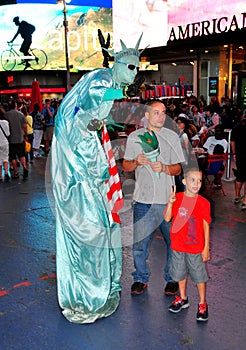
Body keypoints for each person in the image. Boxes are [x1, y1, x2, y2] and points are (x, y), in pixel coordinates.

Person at [51, 34, 145, 323]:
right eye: (130, 67)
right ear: (117, 64)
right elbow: (94, 100)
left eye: (137, 68)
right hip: (78, 172)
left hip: (88, 168)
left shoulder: (105, 83)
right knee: (92, 227)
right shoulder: (100, 79)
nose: (135, 73)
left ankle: (99, 288)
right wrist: (119, 95)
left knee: (103, 226)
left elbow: (90, 117)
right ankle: (89, 294)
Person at [122, 99, 185, 296]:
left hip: (168, 201)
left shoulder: (172, 137)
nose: (161, 116)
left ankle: (172, 278)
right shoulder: (135, 137)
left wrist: (165, 168)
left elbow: (178, 168)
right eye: (156, 112)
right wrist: (136, 161)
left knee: (173, 244)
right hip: (143, 200)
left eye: (163, 112)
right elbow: (125, 166)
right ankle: (140, 277)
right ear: (147, 116)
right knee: (140, 244)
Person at [164, 168, 211, 322]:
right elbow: (167, 219)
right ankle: (183, 298)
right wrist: (170, 204)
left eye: (199, 180)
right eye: (192, 180)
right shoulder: (176, 198)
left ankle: (202, 303)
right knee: (179, 274)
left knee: (199, 277)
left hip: (195, 248)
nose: (196, 183)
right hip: (178, 246)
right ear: (184, 182)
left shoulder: (204, 203)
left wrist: (205, 248)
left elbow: (205, 226)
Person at [5, 100, 28, 179]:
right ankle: (24, 167)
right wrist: (25, 134)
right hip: (20, 138)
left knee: (13, 157)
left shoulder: (6, 115)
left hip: (11, 139)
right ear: (15, 106)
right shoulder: (20, 114)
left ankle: (16, 172)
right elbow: (25, 126)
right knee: (22, 155)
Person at [230, 113, 246, 210]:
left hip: (240, 155)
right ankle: (245, 201)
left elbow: (232, 142)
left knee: (239, 176)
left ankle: (237, 196)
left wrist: (234, 153)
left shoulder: (237, 127)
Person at [0, 107, 10, 181]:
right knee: (5, 158)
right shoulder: (6, 122)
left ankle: (0, 175)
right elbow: (8, 133)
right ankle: (6, 172)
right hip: (5, 142)